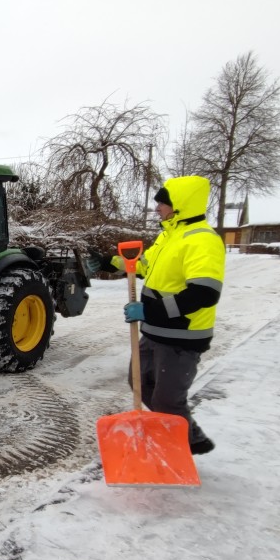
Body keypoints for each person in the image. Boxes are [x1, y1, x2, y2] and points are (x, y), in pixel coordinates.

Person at [89, 176, 225, 455]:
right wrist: (109, 262)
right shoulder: (168, 236)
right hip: (154, 331)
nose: (157, 209)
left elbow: (203, 294)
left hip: (182, 336)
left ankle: (188, 443)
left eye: (162, 204)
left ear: (179, 205)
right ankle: (183, 434)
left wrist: (149, 310)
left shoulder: (202, 240)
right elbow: (143, 267)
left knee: (167, 399)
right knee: (139, 382)